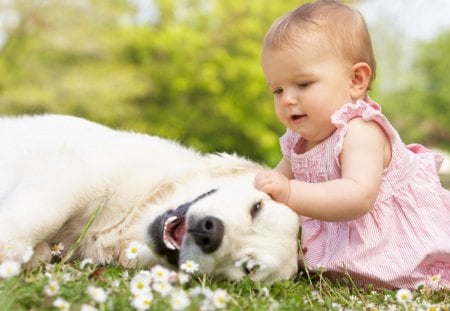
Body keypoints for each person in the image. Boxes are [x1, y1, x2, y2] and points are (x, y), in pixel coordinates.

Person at [254, 0, 450, 289]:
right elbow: (274, 185)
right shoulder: (299, 142)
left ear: (356, 80)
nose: (287, 99)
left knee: (417, 276)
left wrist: (290, 192)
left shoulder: (362, 130)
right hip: (348, 256)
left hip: (393, 245)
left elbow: (357, 196)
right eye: (278, 89)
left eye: (303, 84)